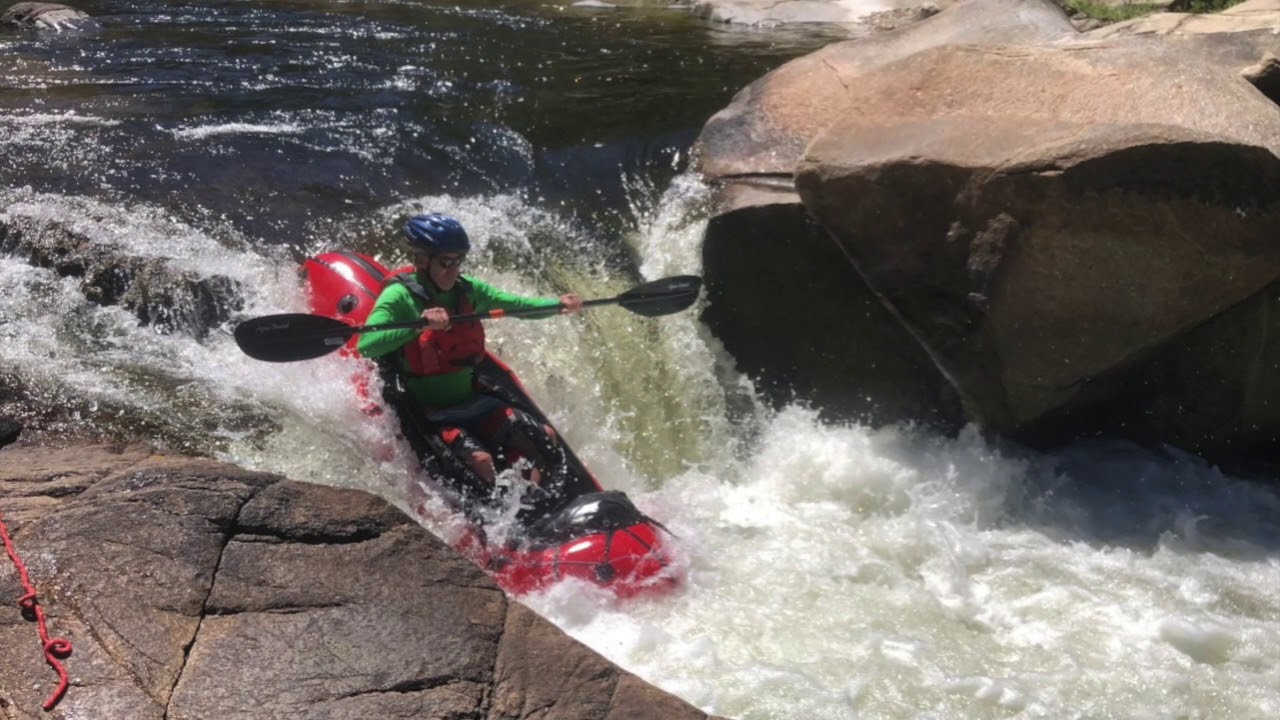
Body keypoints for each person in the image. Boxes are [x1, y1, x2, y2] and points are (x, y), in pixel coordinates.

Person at [356, 213, 583, 486]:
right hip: (432, 412)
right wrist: (418, 326)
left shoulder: (469, 290)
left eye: (458, 261)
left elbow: (517, 305)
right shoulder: (399, 296)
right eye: (445, 262)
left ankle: (535, 501)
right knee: (482, 461)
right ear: (421, 260)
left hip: (474, 401)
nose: (453, 271)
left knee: (543, 435)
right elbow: (367, 345)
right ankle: (497, 513)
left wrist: (557, 306)